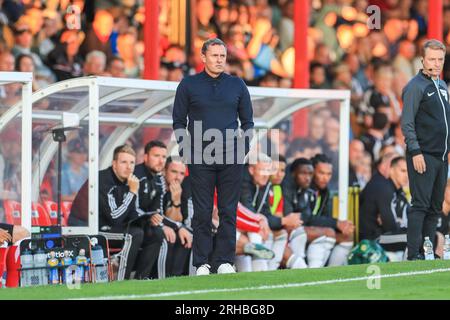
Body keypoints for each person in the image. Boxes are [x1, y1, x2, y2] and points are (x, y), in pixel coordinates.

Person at [172, 38, 254, 275]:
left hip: (231, 157)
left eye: (222, 56)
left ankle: (225, 262)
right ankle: (202, 263)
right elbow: (179, 121)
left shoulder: (237, 85)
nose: (219, 60)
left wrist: (242, 150)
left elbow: (248, 122)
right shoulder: (188, 85)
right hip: (200, 157)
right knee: (202, 211)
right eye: (215, 55)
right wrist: (186, 151)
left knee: (229, 210)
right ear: (203, 57)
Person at [69, 145, 163, 279]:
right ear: (114, 164)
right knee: (133, 235)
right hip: (88, 228)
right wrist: (132, 192)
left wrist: (147, 219)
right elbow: (115, 217)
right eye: (123, 162)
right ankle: (122, 279)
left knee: (155, 233)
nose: (129, 167)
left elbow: (131, 213)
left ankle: (142, 279)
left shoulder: (128, 181)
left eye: (132, 163)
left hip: (109, 225)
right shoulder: (103, 180)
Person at [400, 39, 450, 260]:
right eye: (432, 59)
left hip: (441, 157)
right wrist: (416, 151)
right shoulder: (415, 87)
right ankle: (413, 255)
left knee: (434, 207)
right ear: (423, 60)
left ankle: (427, 252)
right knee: (420, 205)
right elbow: (407, 122)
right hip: (423, 155)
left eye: (440, 59)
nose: (436, 63)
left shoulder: (441, 85)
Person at [359, 156, 409, 261]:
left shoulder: (398, 192)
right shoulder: (383, 187)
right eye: (403, 171)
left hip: (386, 235)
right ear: (391, 170)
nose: (407, 175)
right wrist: (397, 223)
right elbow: (389, 226)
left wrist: (398, 223)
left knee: (422, 234)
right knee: (415, 237)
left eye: (408, 171)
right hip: (373, 240)